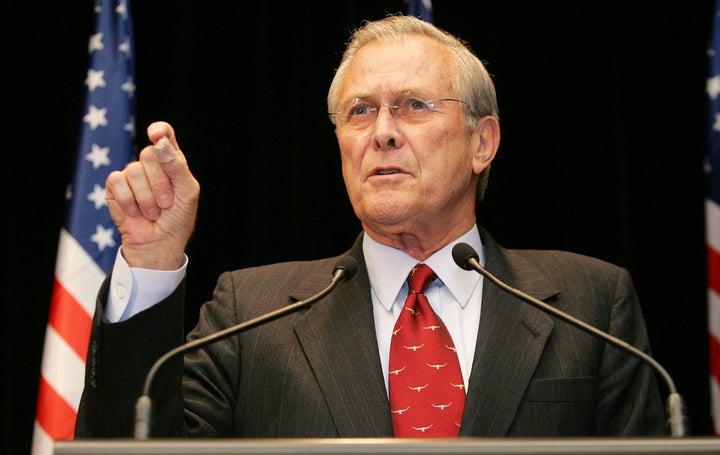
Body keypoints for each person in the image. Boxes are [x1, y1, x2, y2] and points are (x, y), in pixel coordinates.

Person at [75, 14, 666, 439]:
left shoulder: (590, 306)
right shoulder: (249, 313)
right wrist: (151, 260)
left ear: (482, 142)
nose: (381, 131)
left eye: (413, 105)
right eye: (360, 110)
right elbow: (131, 448)